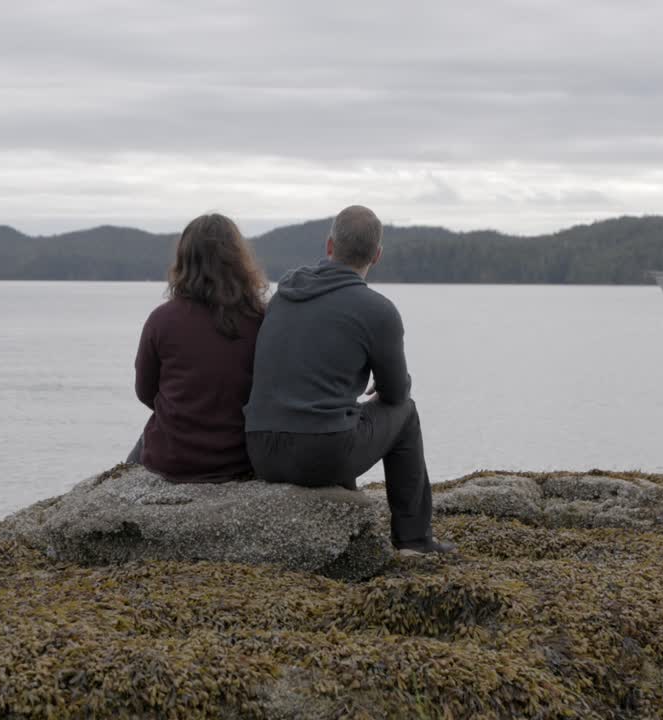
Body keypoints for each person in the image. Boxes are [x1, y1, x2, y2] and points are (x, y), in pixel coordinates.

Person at [243, 205, 454, 555]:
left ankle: (346, 507)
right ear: (377, 255)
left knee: (337, 414)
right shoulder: (376, 310)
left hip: (260, 451)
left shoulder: (283, 295)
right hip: (320, 456)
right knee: (406, 413)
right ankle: (414, 540)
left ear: (329, 246)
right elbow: (396, 393)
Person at [129, 213, 267, 482]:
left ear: (184, 261)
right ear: (239, 261)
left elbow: (145, 392)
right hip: (238, 459)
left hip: (173, 461)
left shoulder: (162, 320)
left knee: (144, 443)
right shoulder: (261, 319)